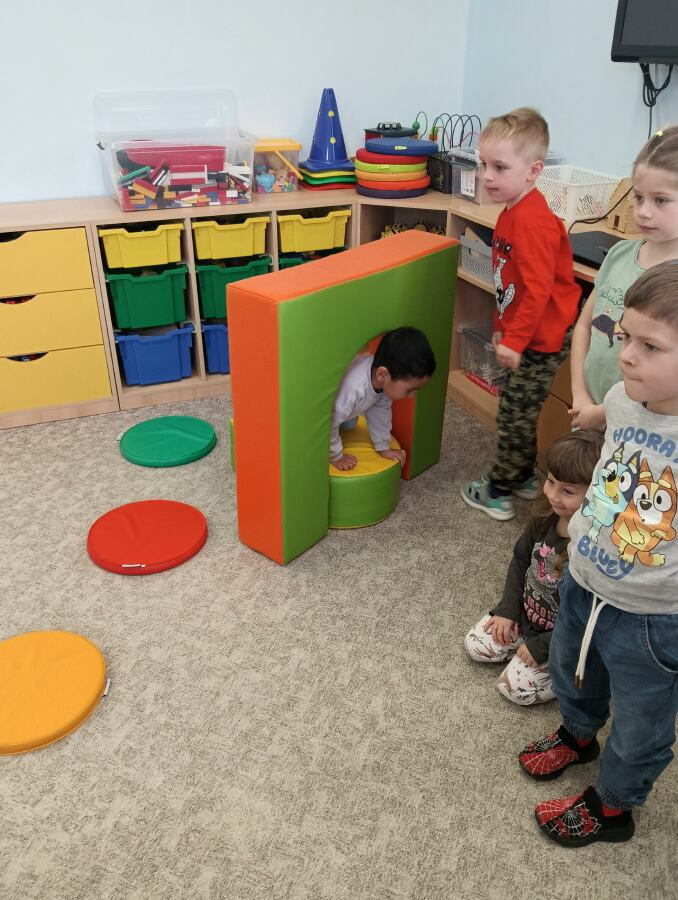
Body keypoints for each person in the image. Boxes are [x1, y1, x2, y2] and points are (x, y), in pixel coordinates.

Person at [520, 261, 678, 847]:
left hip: (652, 617)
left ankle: (614, 806)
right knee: (572, 670)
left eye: (650, 346)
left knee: (641, 723)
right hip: (586, 579)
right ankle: (579, 733)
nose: (626, 355)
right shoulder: (621, 397)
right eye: (626, 337)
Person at [460, 108, 580, 521]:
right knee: (520, 407)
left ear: (533, 171)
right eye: (483, 165)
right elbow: (506, 284)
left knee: (513, 414)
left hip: (541, 340)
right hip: (524, 332)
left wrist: (515, 340)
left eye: (499, 167)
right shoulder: (511, 211)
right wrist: (502, 328)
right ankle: (525, 475)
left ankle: (498, 491)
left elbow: (537, 294)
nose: (487, 176)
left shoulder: (533, 224)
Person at [464, 429, 603, 705]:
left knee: (515, 689)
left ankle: (564, 668)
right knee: (476, 645)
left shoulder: (593, 549)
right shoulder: (546, 515)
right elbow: (520, 560)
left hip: (562, 637)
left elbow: (587, 620)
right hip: (528, 615)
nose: (552, 495)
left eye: (567, 491)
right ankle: (525, 640)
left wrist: (543, 646)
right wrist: (508, 609)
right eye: (550, 481)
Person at [570, 126, 678, 431]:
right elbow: (584, 325)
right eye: (639, 197)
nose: (643, 212)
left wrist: (602, 413)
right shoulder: (618, 254)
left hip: (640, 429)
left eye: (660, 200)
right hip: (586, 408)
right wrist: (580, 393)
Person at [330, 327, 435, 471]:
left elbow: (380, 413)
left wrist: (383, 447)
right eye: (409, 390)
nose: (412, 396)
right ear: (382, 374)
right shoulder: (355, 387)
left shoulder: (383, 381)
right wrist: (336, 456)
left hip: (344, 411)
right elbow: (329, 420)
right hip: (323, 412)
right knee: (340, 420)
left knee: (349, 423)